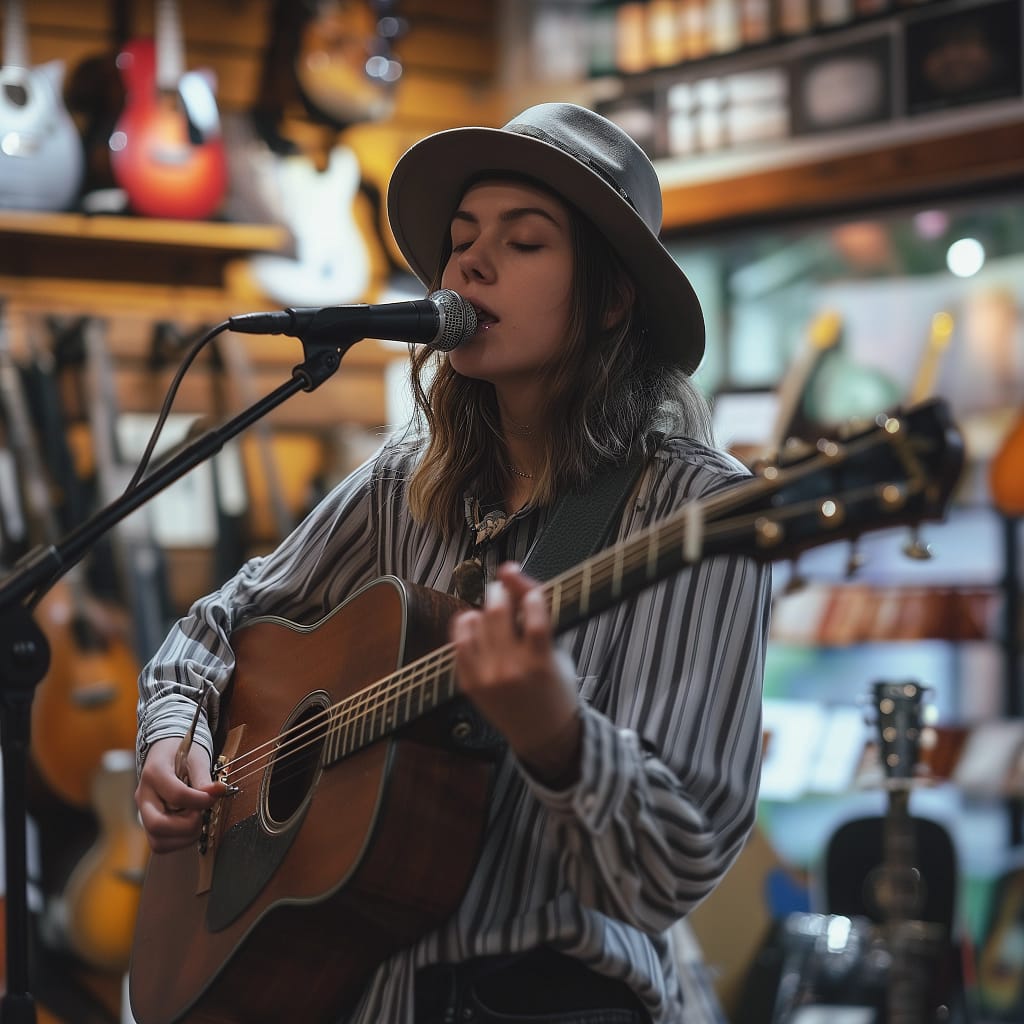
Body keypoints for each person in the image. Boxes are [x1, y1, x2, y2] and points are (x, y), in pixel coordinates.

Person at [134, 102, 772, 1023]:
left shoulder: (700, 513)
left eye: (524, 243)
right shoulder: (407, 484)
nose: (468, 264)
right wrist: (177, 732)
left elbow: (673, 870)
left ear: (611, 298)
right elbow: (216, 626)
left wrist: (558, 733)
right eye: (463, 238)